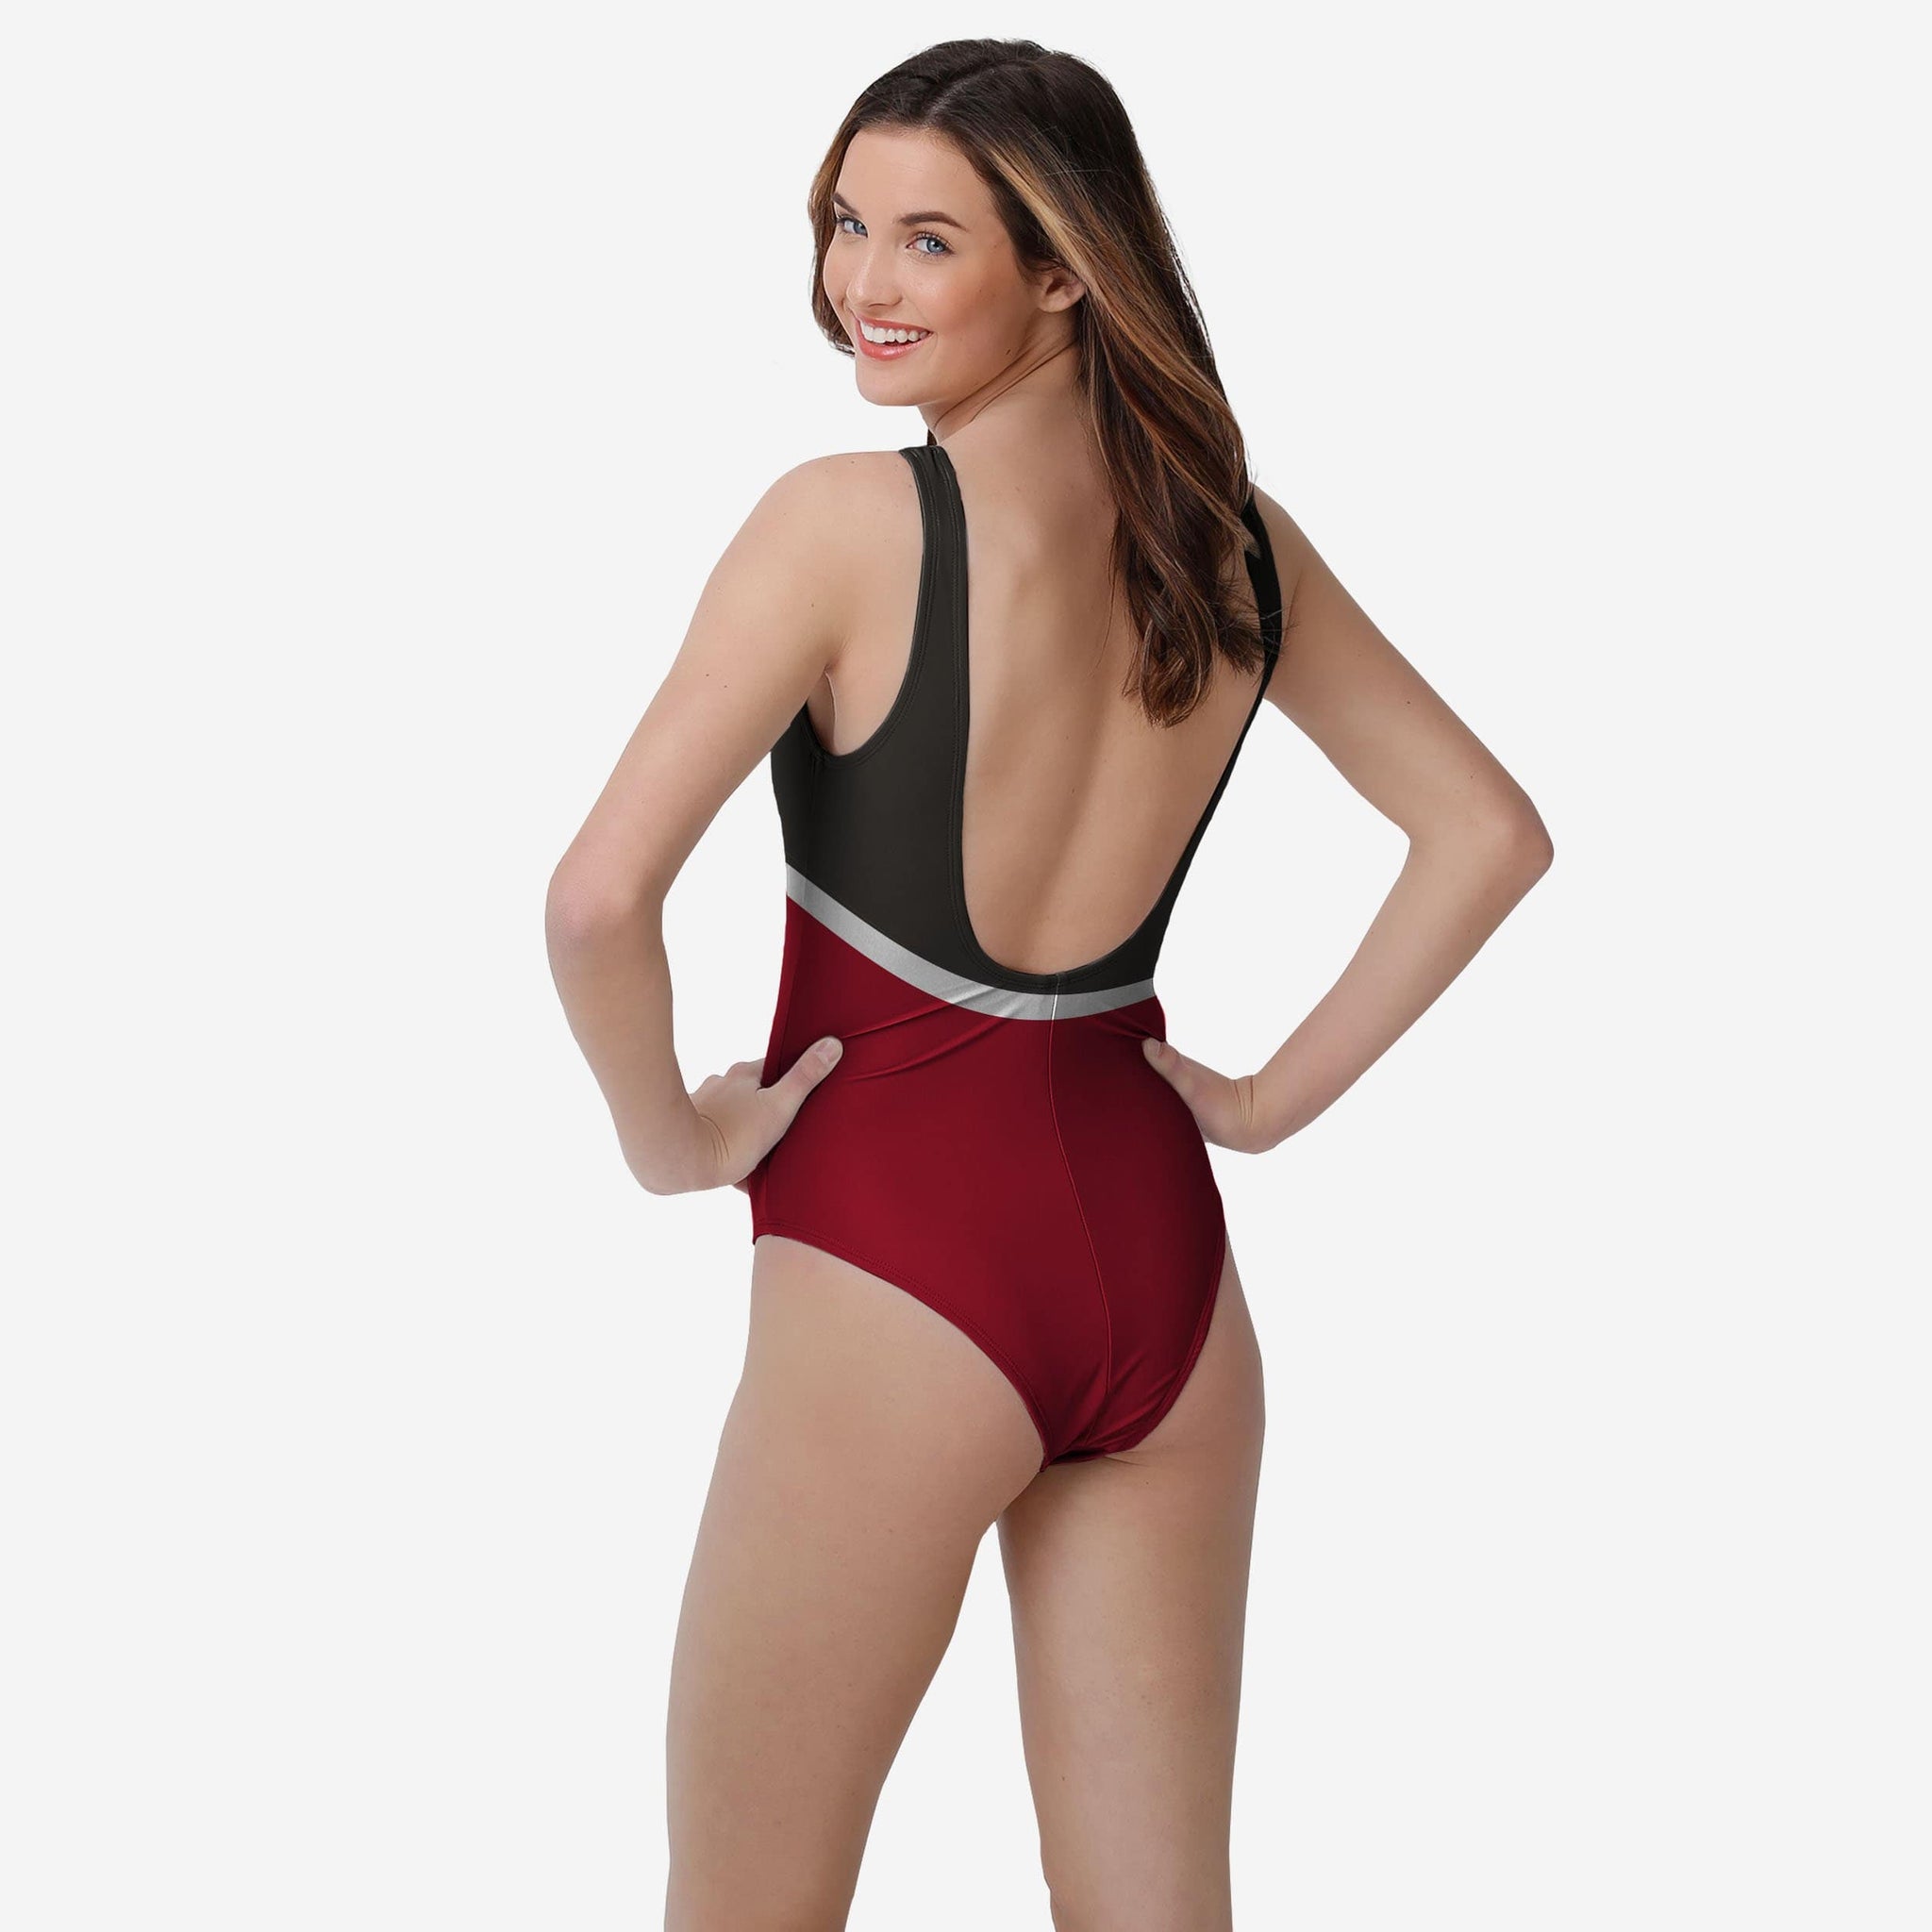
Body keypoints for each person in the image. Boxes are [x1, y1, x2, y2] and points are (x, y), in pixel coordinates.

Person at [545, 37, 1552, 1931]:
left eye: (929, 240)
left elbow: (598, 901)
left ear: (1068, 269)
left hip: (898, 1258)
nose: (863, 280)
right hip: (1164, 1278)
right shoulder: (1234, 542)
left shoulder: (843, 524)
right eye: (847, 222)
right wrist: (1255, 1107)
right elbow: (1487, 833)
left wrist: (670, 1141)